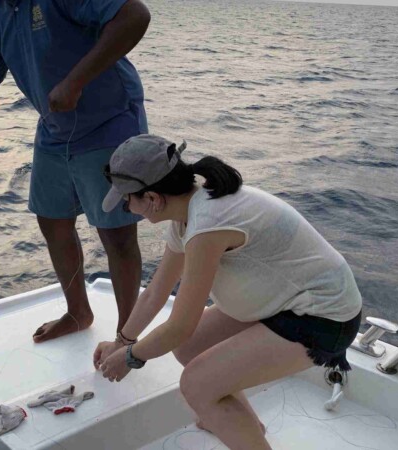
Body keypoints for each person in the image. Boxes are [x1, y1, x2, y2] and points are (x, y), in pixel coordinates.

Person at [93, 135, 363, 450]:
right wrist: (121, 341)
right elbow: (156, 292)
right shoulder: (189, 211)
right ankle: (243, 425)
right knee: (190, 348)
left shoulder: (208, 224)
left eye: (128, 198)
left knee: (196, 385)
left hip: (324, 318)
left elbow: (180, 325)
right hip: (286, 302)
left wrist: (130, 358)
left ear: (152, 197)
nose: (127, 206)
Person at [0, 0, 151, 343]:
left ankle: (127, 336)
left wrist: (76, 81)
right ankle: (78, 312)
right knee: (51, 219)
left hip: (109, 121)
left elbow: (135, 15)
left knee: (117, 233)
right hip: (54, 128)